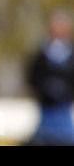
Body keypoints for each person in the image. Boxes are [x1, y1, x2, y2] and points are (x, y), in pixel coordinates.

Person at [26, 8, 74, 146]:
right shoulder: (41, 54)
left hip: (65, 110)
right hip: (45, 111)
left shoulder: (71, 55)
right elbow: (32, 77)